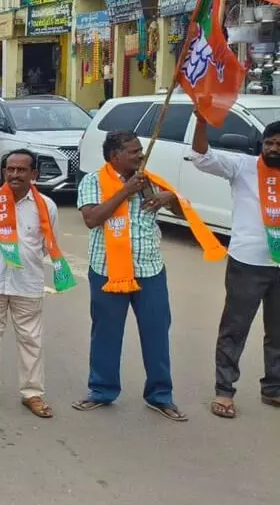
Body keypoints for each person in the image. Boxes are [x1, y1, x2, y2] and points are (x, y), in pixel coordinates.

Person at [74, 131, 224, 422]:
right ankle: (102, 390)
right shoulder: (93, 181)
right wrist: (125, 191)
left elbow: (182, 213)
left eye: (140, 150)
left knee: (156, 334)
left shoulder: (150, 180)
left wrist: (171, 197)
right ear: (115, 156)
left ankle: (160, 396)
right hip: (108, 271)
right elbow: (92, 219)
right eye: (134, 152)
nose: (141, 156)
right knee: (106, 334)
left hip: (150, 271)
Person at [0, 150, 72, 418]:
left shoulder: (46, 205)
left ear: (34, 174)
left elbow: (49, 245)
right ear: (4, 172)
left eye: (21, 170)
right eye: (10, 169)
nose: (14, 174)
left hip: (28, 282)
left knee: (31, 339)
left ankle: (32, 393)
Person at [189, 117, 280, 418]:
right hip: (248, 263)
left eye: (279, 144)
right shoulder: (242, 166)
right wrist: (202, 123)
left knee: (278, 332)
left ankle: (273, 388)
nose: (274, 148)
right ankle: (224, 391)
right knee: (235, 329)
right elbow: (203, 156)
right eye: (269, 143)